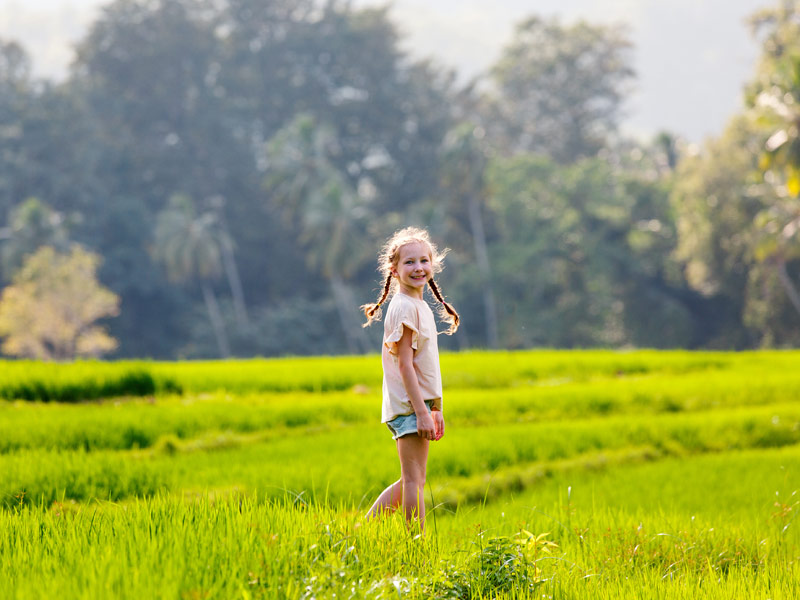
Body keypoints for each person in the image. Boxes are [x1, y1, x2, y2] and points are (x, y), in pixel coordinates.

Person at [361, 227, 459, 531]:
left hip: (417, 404)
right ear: (394, 270)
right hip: (408, 406)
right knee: (414, 481)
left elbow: (424, 367)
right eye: (409, 262)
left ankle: (361, 534)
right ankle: (415, 546)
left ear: (433, 264)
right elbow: (404, 366)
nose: (418, 268)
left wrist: (435, 407)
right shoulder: (404, 307)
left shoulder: (417, 305)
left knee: (411, 480)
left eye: (424, 261)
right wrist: (421, 412)